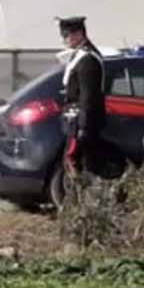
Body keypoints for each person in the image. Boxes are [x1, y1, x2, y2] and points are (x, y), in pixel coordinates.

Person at [56, 16, 107, 179]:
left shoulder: (88, 59)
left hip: (83, 120)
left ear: (79, 34)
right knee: (72, 161)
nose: (65, 40)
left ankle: (84, 191)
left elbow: (88, 95)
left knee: (80, 162)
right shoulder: (79, 56)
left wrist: (83, 126)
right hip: (74, 119)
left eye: (67, 35)